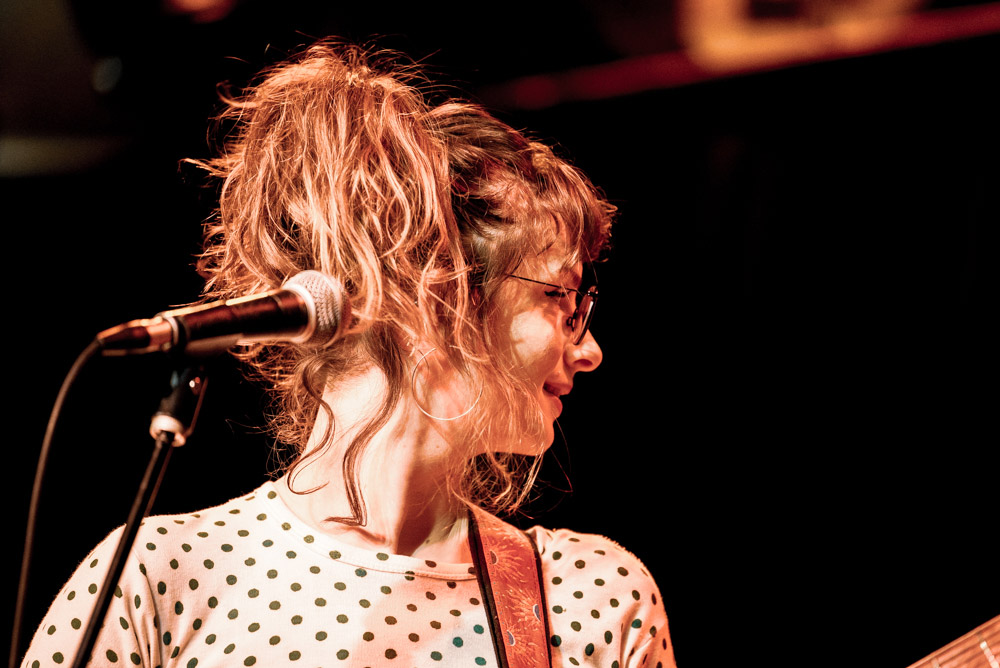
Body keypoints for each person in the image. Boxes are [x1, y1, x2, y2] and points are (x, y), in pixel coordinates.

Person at [22, 41, 676, 668]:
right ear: (434, 293)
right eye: (561, 299)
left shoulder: (587, 599)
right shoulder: (156, 580)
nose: (587, 349)